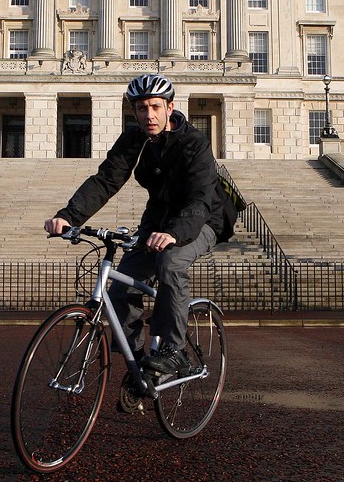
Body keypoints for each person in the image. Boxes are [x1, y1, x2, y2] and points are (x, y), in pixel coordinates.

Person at [44, 74, 224, 377]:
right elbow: (106, 180)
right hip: (156, 222)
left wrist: (174, 233)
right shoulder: (133, 140)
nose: (149, 115)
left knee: (170, 262)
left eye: (155, 106)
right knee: (120, 287)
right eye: (141, 108)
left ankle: (174, 350)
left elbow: (199, 199)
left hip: (202, 220)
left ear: (170, 107)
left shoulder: (194, 142)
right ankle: (138, 363)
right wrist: (69, 217)